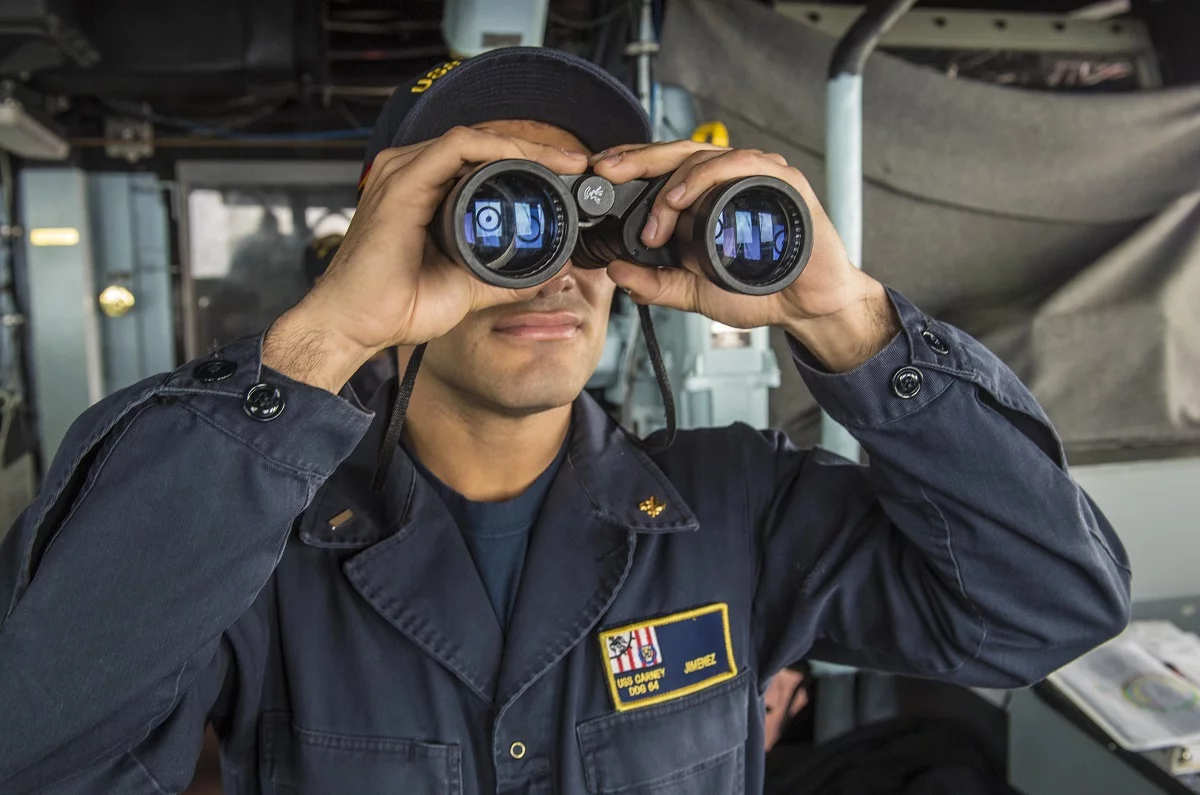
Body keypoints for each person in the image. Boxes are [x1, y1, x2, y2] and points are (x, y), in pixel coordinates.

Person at [0, 48, 1130, 795]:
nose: (552, 273)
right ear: (396, 236)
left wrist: (851, 319)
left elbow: (1045, 607)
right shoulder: (262, 544)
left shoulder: (738, 507)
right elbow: (37, 744)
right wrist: (317, 348)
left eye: (593, 223)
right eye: (500, 218)